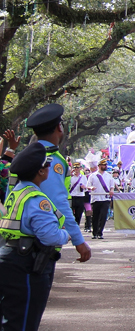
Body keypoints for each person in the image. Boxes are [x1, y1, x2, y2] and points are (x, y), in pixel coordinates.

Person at [0, 142, 86, 331]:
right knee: (22, 328)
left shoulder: (17, 192)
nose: (49, 169)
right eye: (47, 166)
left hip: (11, 258)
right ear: (41, 171)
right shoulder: (37, 200)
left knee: (11, 326)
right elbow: (49, 236)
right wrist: (66, 235)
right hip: (27, 265)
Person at [24, 104, 91, 262]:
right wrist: (78, 240)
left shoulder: (26, 155)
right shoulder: (51, 160)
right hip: (39, 237)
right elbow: (58, 201)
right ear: (59, 128)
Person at [87, 159, 115, 239]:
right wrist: (91, 188)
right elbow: (88, 186)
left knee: (103, 216)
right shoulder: (93, 175)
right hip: (96, 198)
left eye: (105, 165)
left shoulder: (109, 175)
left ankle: (100, 232)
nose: (105, 166)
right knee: (95, 216)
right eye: (103, 165)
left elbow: (112, 186)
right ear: (99, 166)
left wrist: (111, 191)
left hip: (105, 198)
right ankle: (94, 232)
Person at [69, 163, 89, 228]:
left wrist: (84, 187)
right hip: (72, 196)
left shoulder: (83, 177)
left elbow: (86, 187)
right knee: (71, 213)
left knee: (79, 213)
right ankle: (72, 225)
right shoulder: (70, 177)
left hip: (80, 196)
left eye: (77, 168)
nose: (76, 169)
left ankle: (77, 225)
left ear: (80, 168)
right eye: (75, 168)